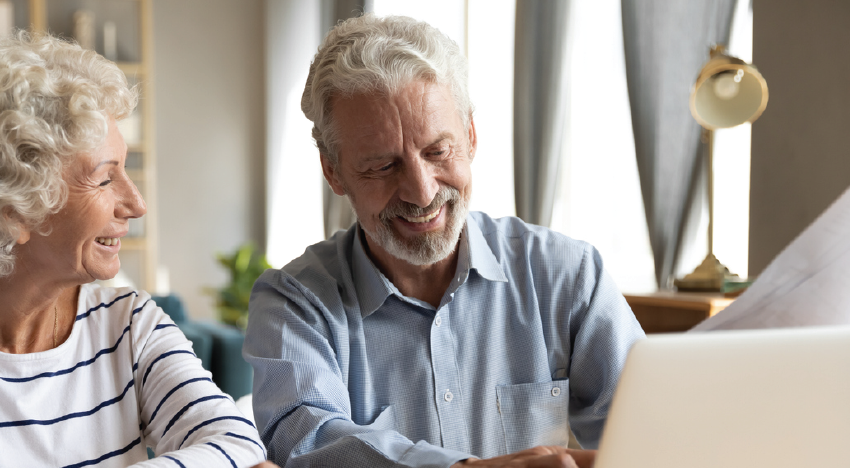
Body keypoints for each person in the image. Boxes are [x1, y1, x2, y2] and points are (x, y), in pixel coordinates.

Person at [0, 33, 273, 468]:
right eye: (105, 178)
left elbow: (234, 441)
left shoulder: (129, 324)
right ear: (13, 211)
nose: (136, 204)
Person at [243, 15, 645, 468]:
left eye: (437, 151)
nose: (422, 192)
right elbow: (308, 443)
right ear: (333, 171)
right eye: (382, 166)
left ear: (470, 136)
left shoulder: (568, 276)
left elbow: (652, 432)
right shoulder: (294, 303)